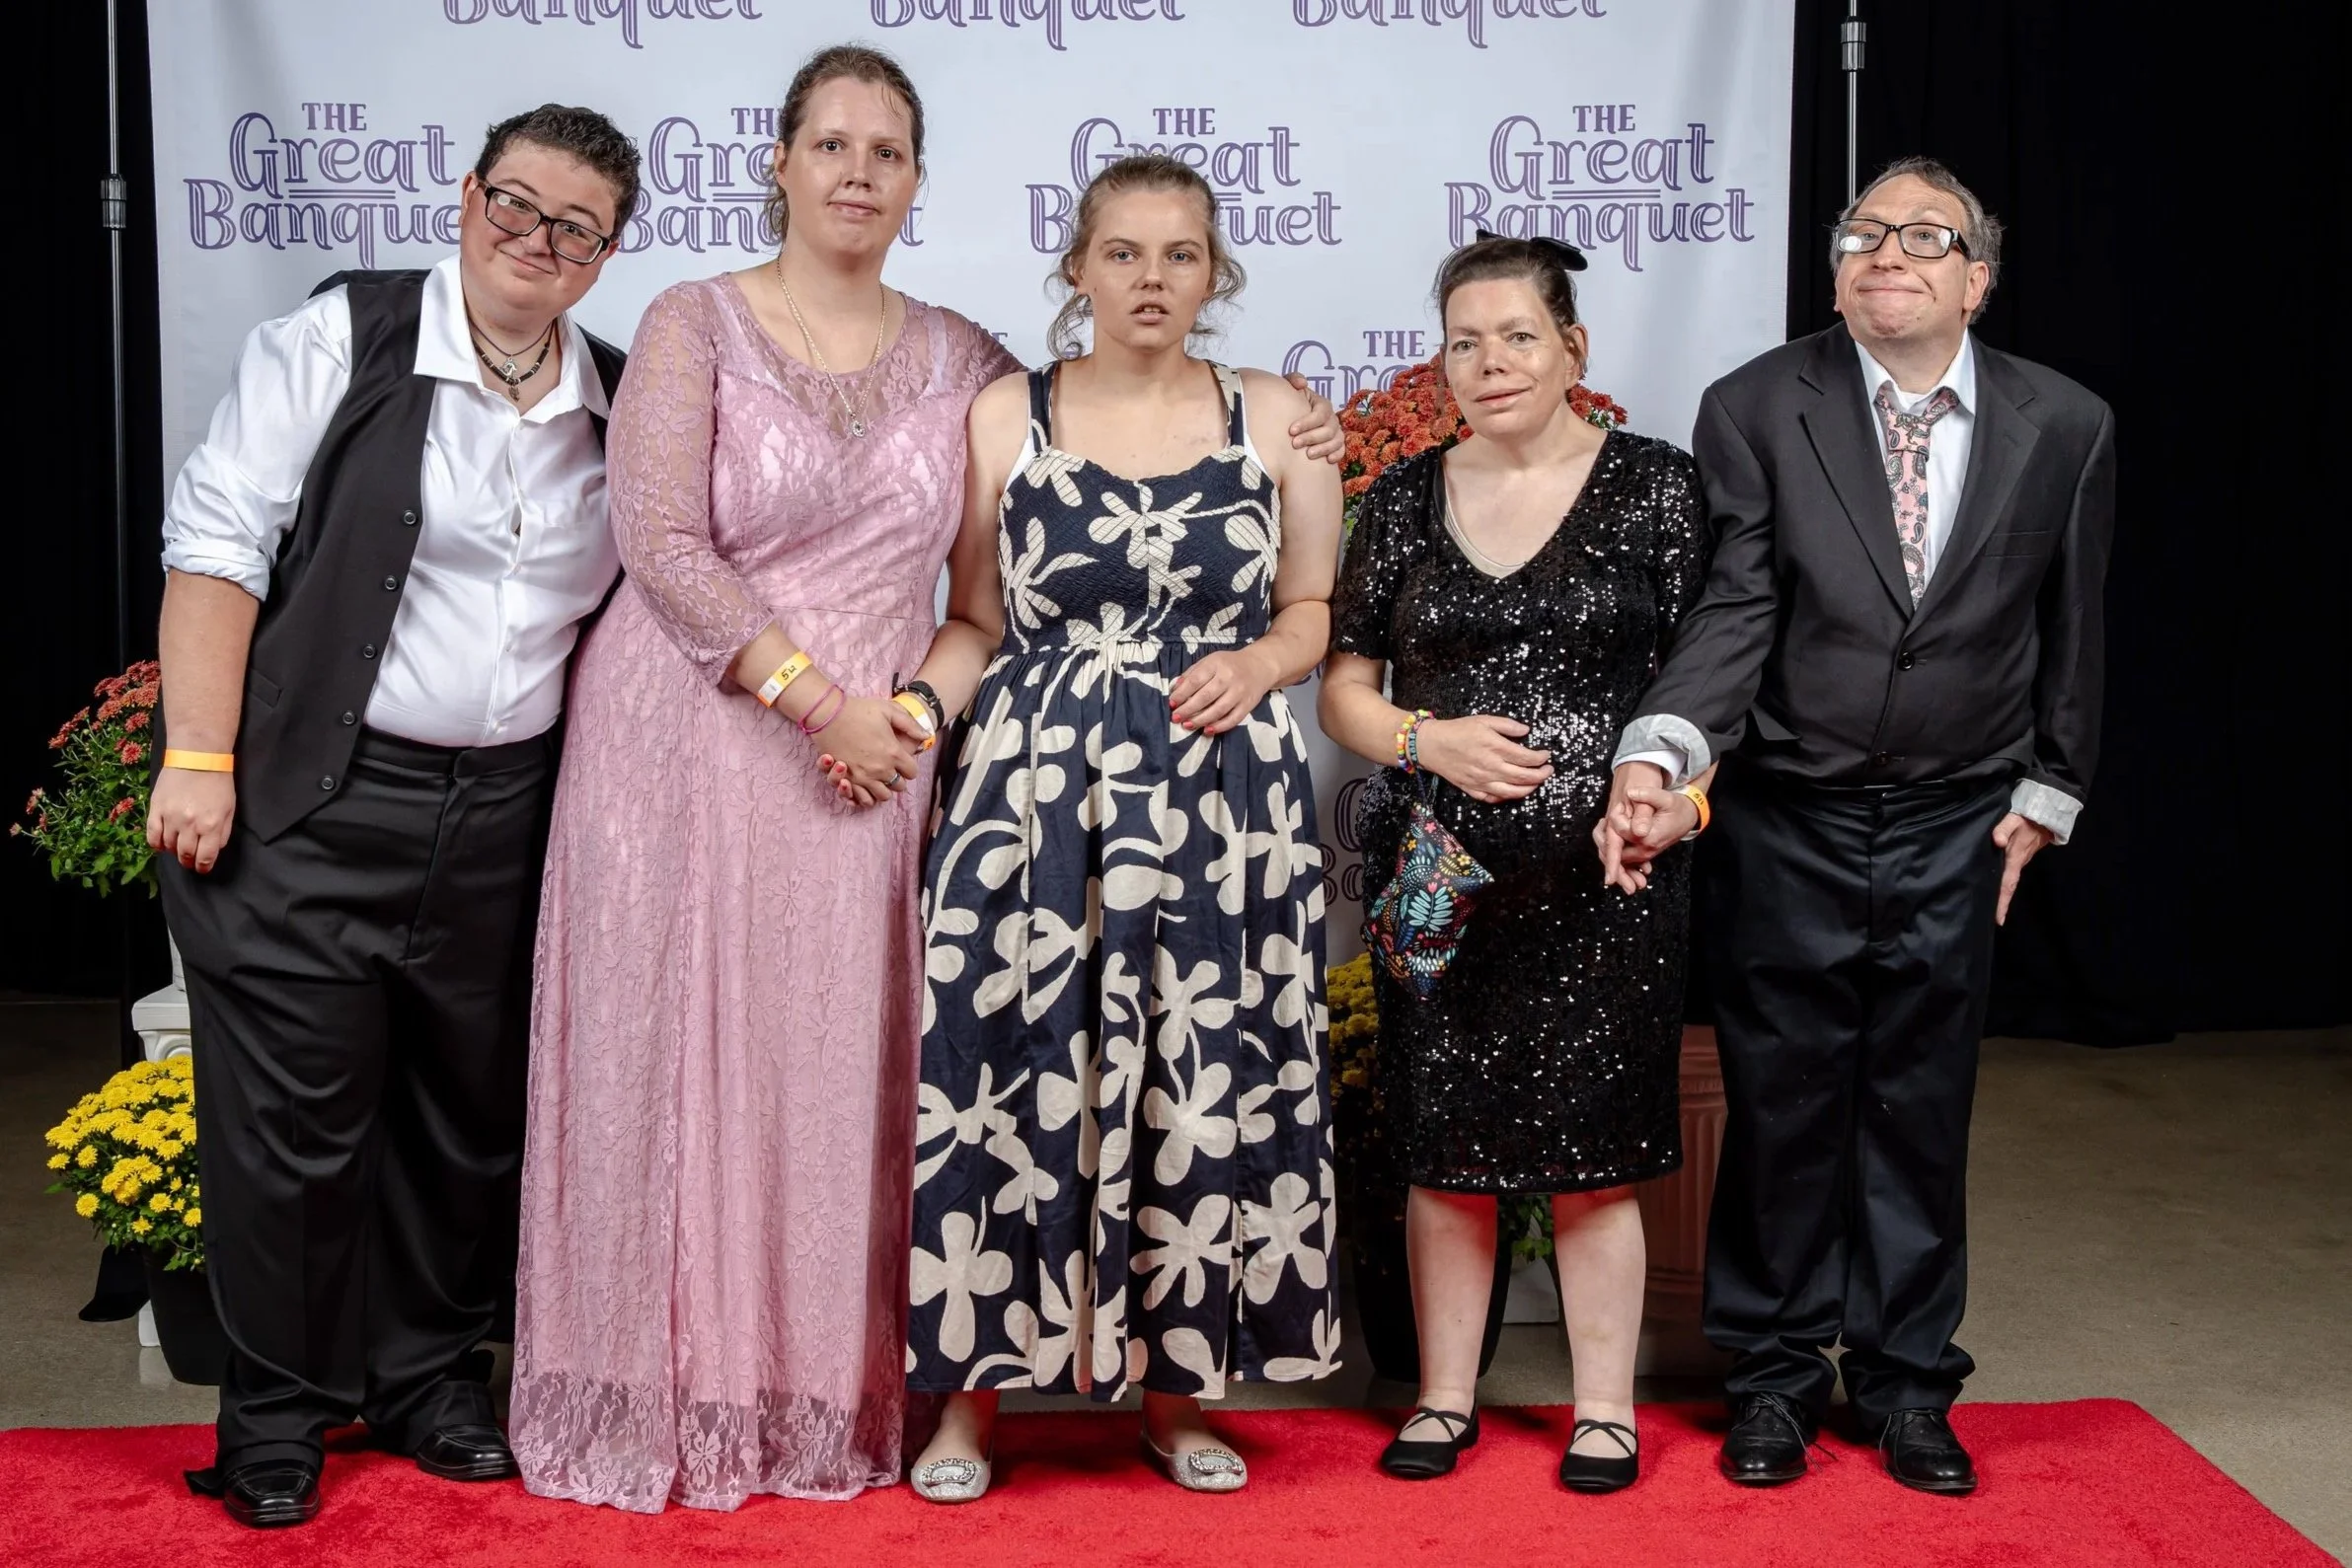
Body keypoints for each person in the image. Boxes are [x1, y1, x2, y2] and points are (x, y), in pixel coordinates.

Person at [509, 58, 1341, 1513]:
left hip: (931, 766)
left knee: (886, 1080)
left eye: (885, 150)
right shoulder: (710, 324)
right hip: (718, 737)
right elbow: (668, 543)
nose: (856, 170)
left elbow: (1152, 572)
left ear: (915, 183)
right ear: (778, 161)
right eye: (830, 143)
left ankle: (872, 1391)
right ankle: (702, 1389)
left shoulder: (975, 362)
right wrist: (834, 703)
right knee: (855, 1073)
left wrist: (896, 717)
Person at [145, 106, 639, 1529]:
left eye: (575, 227)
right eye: (516, 204)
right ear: (467, 196)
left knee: (466, 1120)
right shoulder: (339, 340)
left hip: (510, 820)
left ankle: (430, 1383)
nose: (536, 240)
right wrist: (199, 753)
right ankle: (278, 1411)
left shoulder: (615, 397)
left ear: (605, 255)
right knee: (293, 1131)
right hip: (318, 801)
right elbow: (217, 546)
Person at [1601, 157, 2115, 1496]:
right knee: (1780, 1106)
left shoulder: (2063, 421)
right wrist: (1661, 750)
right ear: (1834, 271)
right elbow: (1735, 606)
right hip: (1788, 811)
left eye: (1924, 236)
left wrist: (2050, 789)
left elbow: (2071, 619)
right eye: (1862, 232)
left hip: (1960, 818)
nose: (1888, 252)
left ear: (1975, 279)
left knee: (1918, 1107)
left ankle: (1905, 1383)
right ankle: (1771, 1377)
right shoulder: (1756, 404)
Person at [900, 153, 1344, 1503]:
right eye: (1124, 252)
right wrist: (909, 716)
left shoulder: (1277, 415)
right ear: (1077, 267)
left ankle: (1177, 1393)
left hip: (1221, 799)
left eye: (1180, 254)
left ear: (1214, 275)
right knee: (1001, 1069)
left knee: (1194, 1075)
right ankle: (966, 1405)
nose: (1151, 278)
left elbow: (1310, 611)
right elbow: (975, 615)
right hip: (1032, 797)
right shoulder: (1005, 414)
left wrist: (1258, 663)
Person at [1319, 234, 1709, 1493]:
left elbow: (1715, 680)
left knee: (1596, 1155)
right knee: (1442, 1148)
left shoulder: (1657, 486)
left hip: (1611, 876)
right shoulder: (1399, 499)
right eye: (1464, 341)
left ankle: (1603, 1409)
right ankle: (1443, 1398)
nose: (1489, 362)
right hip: (1433, 869)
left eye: (1518, 335)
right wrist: (1423, 738)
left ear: (1572, 347)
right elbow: (1342, 690)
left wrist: (1681, 802)